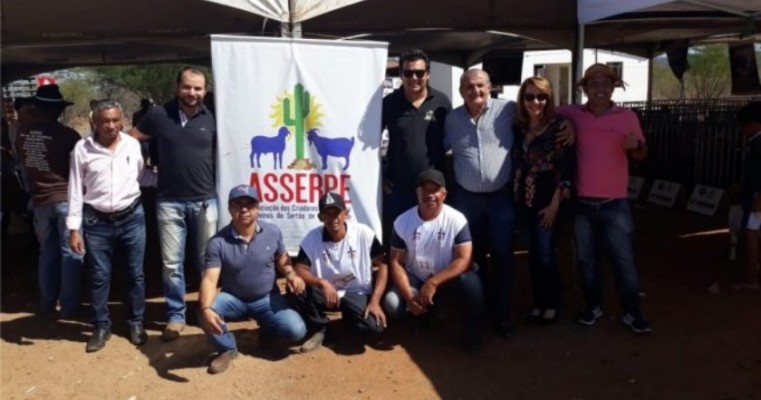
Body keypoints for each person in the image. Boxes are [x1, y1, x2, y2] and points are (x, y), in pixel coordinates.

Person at [555, 63, 651, 334]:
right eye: (594, 84)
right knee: (587, 261)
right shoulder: (572, 113)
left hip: (615, 204)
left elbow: (642, 154)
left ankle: (632, 312)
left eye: (606, 83)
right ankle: (592, 306)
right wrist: (565, 125)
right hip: (582, 202)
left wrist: (637, 147)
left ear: (613, 87)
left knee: (624, 261)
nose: (600, 89)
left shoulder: (627, 116)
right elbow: (542, 110)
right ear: (584, 88)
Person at [129, 67, 218, 341]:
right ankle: (176, 316)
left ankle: (206, 312)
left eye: (198, 88)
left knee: (206, 263)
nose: (192, 93)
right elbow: (129, 141)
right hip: (169, 202)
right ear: (177, 87)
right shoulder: (158, 115)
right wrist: (143, 172)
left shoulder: (214, 116)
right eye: (187, 87)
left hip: (205, 200)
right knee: (171, 264)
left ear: (205, 90)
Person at [67, 100, 157, 353]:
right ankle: (101, 326)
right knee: (98, 276)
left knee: (135, 274)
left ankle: (136, 323)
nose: (111, 126)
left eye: (116, 120)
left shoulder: (132, 145)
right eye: (105, 121)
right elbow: (75, 189)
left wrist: (169, 179)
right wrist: (74, 228)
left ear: (123, 121)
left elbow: (142, 177)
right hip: (96, 222)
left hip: (132, 217)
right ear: (94, 122)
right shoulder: (81, 149)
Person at [198, 184, 306, 374]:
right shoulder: (217, 242)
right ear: (230, 209)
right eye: (238, 204)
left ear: (258, 207)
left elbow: (282, 258)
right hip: (233, 299)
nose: (244, 209)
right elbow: (209, 280)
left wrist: (291, 273)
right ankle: (227, 349)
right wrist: (206, 308)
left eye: (250, 204)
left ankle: (267, 329)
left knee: (296, 330)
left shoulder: (272, 232)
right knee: (205, 311)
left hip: (266, 298)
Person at [383, 169, 484, 351]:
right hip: (416, 276)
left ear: (444, 194)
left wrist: (434, 282)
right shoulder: (402, 221)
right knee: (392, 303)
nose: (430, 195)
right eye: (425, 190)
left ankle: (472, 334)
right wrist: (409, 297)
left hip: (445, 278)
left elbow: (465, 259)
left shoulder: (457, 220)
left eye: (435, 190)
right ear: (417, 193)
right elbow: (396, 262)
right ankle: (420, 316)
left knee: (472, 284)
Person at [13, 84, 84, 318]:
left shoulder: (22, 133)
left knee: (47, 253)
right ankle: (69, 306)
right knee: (72, 254)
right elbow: (78, 170)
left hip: (39, 201)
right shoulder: (67, 135)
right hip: (65, 200)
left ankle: (46, 303)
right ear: (57, 110)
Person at [512, 77, 575, 325]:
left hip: (547, 204)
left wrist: (554, 205)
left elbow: (566, 171)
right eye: (529, 97)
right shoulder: (519, 126)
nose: (535, 102)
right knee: (533, 255)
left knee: (547, 255)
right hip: (523, 203)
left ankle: (552, 304)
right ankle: (538, 304)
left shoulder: (559, 127)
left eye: (541, 97)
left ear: (549, 100)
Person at [291, 192, 388, 353]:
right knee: (296, 288)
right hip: (325, 292)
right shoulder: (312, 238)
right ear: (320, 217)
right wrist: (321, 282)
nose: (332, 218)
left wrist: (375, 301)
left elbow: (382, 264)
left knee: (374, 328)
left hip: (357, 291)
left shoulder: (363, 233)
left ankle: (350, 322)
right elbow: (300, 268)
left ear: (346, 214)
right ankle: (320, 327)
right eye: (326, 214)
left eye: (336, 212)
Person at [382, 49, 452, 242]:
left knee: (433, 242)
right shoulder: (389, 103)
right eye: (408, 73)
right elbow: (369, 143)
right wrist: (380, 173)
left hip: (433, 189)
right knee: (398, 242)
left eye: (419, 73)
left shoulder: (441, 102)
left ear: (428, 74)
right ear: (401, 74)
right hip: (399, 188)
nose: (414, 77)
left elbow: (453, 139)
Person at [736, 101, 761, 289]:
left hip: (757, 197)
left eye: (743, 125)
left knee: (751, 233)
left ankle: (752, 279)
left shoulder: (758, 143)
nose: (741, 130)